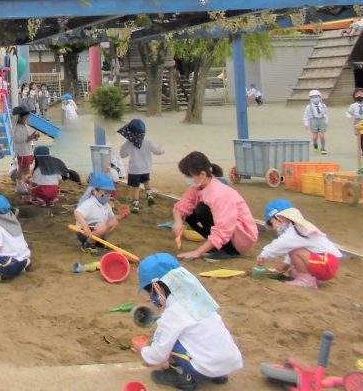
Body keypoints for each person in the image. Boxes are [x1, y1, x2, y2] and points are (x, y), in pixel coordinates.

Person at [135, 253, 243, 389]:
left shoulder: (172, 312)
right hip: (228, 362)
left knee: (171, 340)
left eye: (150, 292)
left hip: (203, 367)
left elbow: (157, 355)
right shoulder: (201, 298)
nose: (152, 297)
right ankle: (217, 375)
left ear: (157, 287)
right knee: (203, 334)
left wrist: (144, 351)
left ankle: (181, 375)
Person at [172, 151, 258, 261]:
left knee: (202, 209)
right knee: (191, 213)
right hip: (229, 232)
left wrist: (198, 252)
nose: (187, 178)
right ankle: (217, 246)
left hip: (241, 239)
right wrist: (178, 221)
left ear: (202, 174)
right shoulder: (198, 187)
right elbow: (182, 206)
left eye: (189, 175)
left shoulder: (219, 194)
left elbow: (224, 228)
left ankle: (229, 250)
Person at [257, 199, 342, 290]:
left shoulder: (294, 231)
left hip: (326, 263)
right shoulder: (298, 227)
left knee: (295, 252)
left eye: (271, 223)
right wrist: (285, 265)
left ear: (280, 219)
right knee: (294, 267)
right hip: (328, 262)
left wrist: (263, 255)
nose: (272, 228)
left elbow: (280, 245)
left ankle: (306, 280)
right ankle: (311, 277)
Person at [118, 118, 165, 213]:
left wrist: (123, 148)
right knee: (146, 180)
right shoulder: (148, 141)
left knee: (135, 188)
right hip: (146, 168)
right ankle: (149, 195)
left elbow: (122, 154)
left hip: (134, 170)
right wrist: (162, 148)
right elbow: (158, 151)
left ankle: (135, 205)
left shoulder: (129, 143)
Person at [74, 172, 119, 252]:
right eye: (105, 193)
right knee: (102, 227)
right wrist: (85, 227)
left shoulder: (106, 204)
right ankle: (88, 245)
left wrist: (122, 215)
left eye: (109, 193)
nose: (108, 196)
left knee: (114, 222)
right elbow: (77, 213)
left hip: (98, 229)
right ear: (95, 192)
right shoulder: (89, 203)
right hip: (84, 232)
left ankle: (100, 242)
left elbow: (112, 218)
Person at [10, 105, 38, 191]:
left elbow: (27, 137)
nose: (27, 118)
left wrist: (33, 137)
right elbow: (17, 139)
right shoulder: (17, 127)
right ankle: (20, 185)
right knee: (22, 169)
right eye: (26, 117)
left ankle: (25, 184)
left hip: (27, 151)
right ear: (20, 117)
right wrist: (29, 138)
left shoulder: (24, 126)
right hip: (22, 152)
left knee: (27, 168)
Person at [303, 89, 329, 154]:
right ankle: (315, 144)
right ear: (310, 98)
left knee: (322, 135)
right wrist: (306, 124)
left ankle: (323, 148)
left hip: (322, 120)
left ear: (320, 97)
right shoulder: (309, 107)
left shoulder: (323, 106)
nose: (315, 98)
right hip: (313, 121)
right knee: (315, 136)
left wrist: (326, 121)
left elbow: (326, 114)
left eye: (316, 96)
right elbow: (306, 116)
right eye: (312, 97)